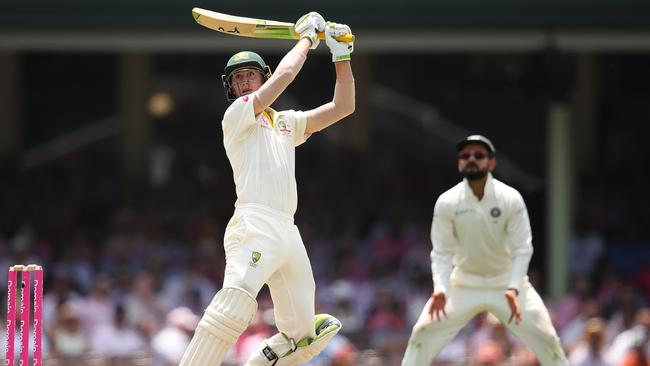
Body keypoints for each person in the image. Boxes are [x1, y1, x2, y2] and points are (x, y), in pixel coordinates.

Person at [180, 11, 355, 366]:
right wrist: (306, 40)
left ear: (263, 76)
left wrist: (342, 56)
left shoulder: (286, 123)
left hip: (287, 231)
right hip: (254, 223)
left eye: (251, 76)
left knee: (304, 335)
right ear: (232, 88)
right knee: (236, 303)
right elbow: (287, 76)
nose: (246, 83)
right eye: (239, 79)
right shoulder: (237, 116)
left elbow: (343, 107)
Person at [401, 135, 569, 366]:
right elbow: (441, 252)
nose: (471, 159)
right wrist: (440, 288)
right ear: (460, 163)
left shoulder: (510, 198)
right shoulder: (447, 202)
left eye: (478, 155)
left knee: (548, 338)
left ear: (491, 163)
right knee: (422, 333)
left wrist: (513, 286)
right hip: (463, 283)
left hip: (507, 284)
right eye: (465, 156)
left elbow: (522, 248)